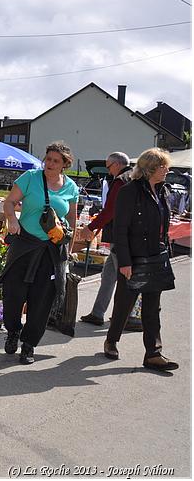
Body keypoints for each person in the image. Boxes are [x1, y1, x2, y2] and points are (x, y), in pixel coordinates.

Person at [0, 141, 79, 364]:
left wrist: (69, 252)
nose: (50, 164)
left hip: (52, 251)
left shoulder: (71, 187)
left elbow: (71, 220)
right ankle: (13, 331)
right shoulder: (30, 177)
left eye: (56, 161)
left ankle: (29, 344)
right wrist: (12, 219)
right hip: (24, 245)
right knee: (13, 294)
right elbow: (9, 203)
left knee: (42, 299)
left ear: (64, 164)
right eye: (48, 159)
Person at [103, 148, 178, 372]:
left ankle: (153, 353)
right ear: (150, 168)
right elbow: (120, 228)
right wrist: (125, 261)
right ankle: (112, 340)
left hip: (156, 256)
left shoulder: (162, 191)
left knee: (153, 307)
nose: (167, 170)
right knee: (124, 303)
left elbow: (163, 225)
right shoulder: (129, 191)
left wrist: (167, 251)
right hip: (133, 257)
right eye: (164, 166)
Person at [78, 152, 131, 326]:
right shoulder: (134, 177)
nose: (108, 171)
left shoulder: (121, 180)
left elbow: (110, 210)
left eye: (108, 167)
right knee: (108, 275)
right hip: (126, 234)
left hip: (120, 236)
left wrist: (91, 227)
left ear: (116, 164)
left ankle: (127, 317)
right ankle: (98, 312)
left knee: (126, 280)